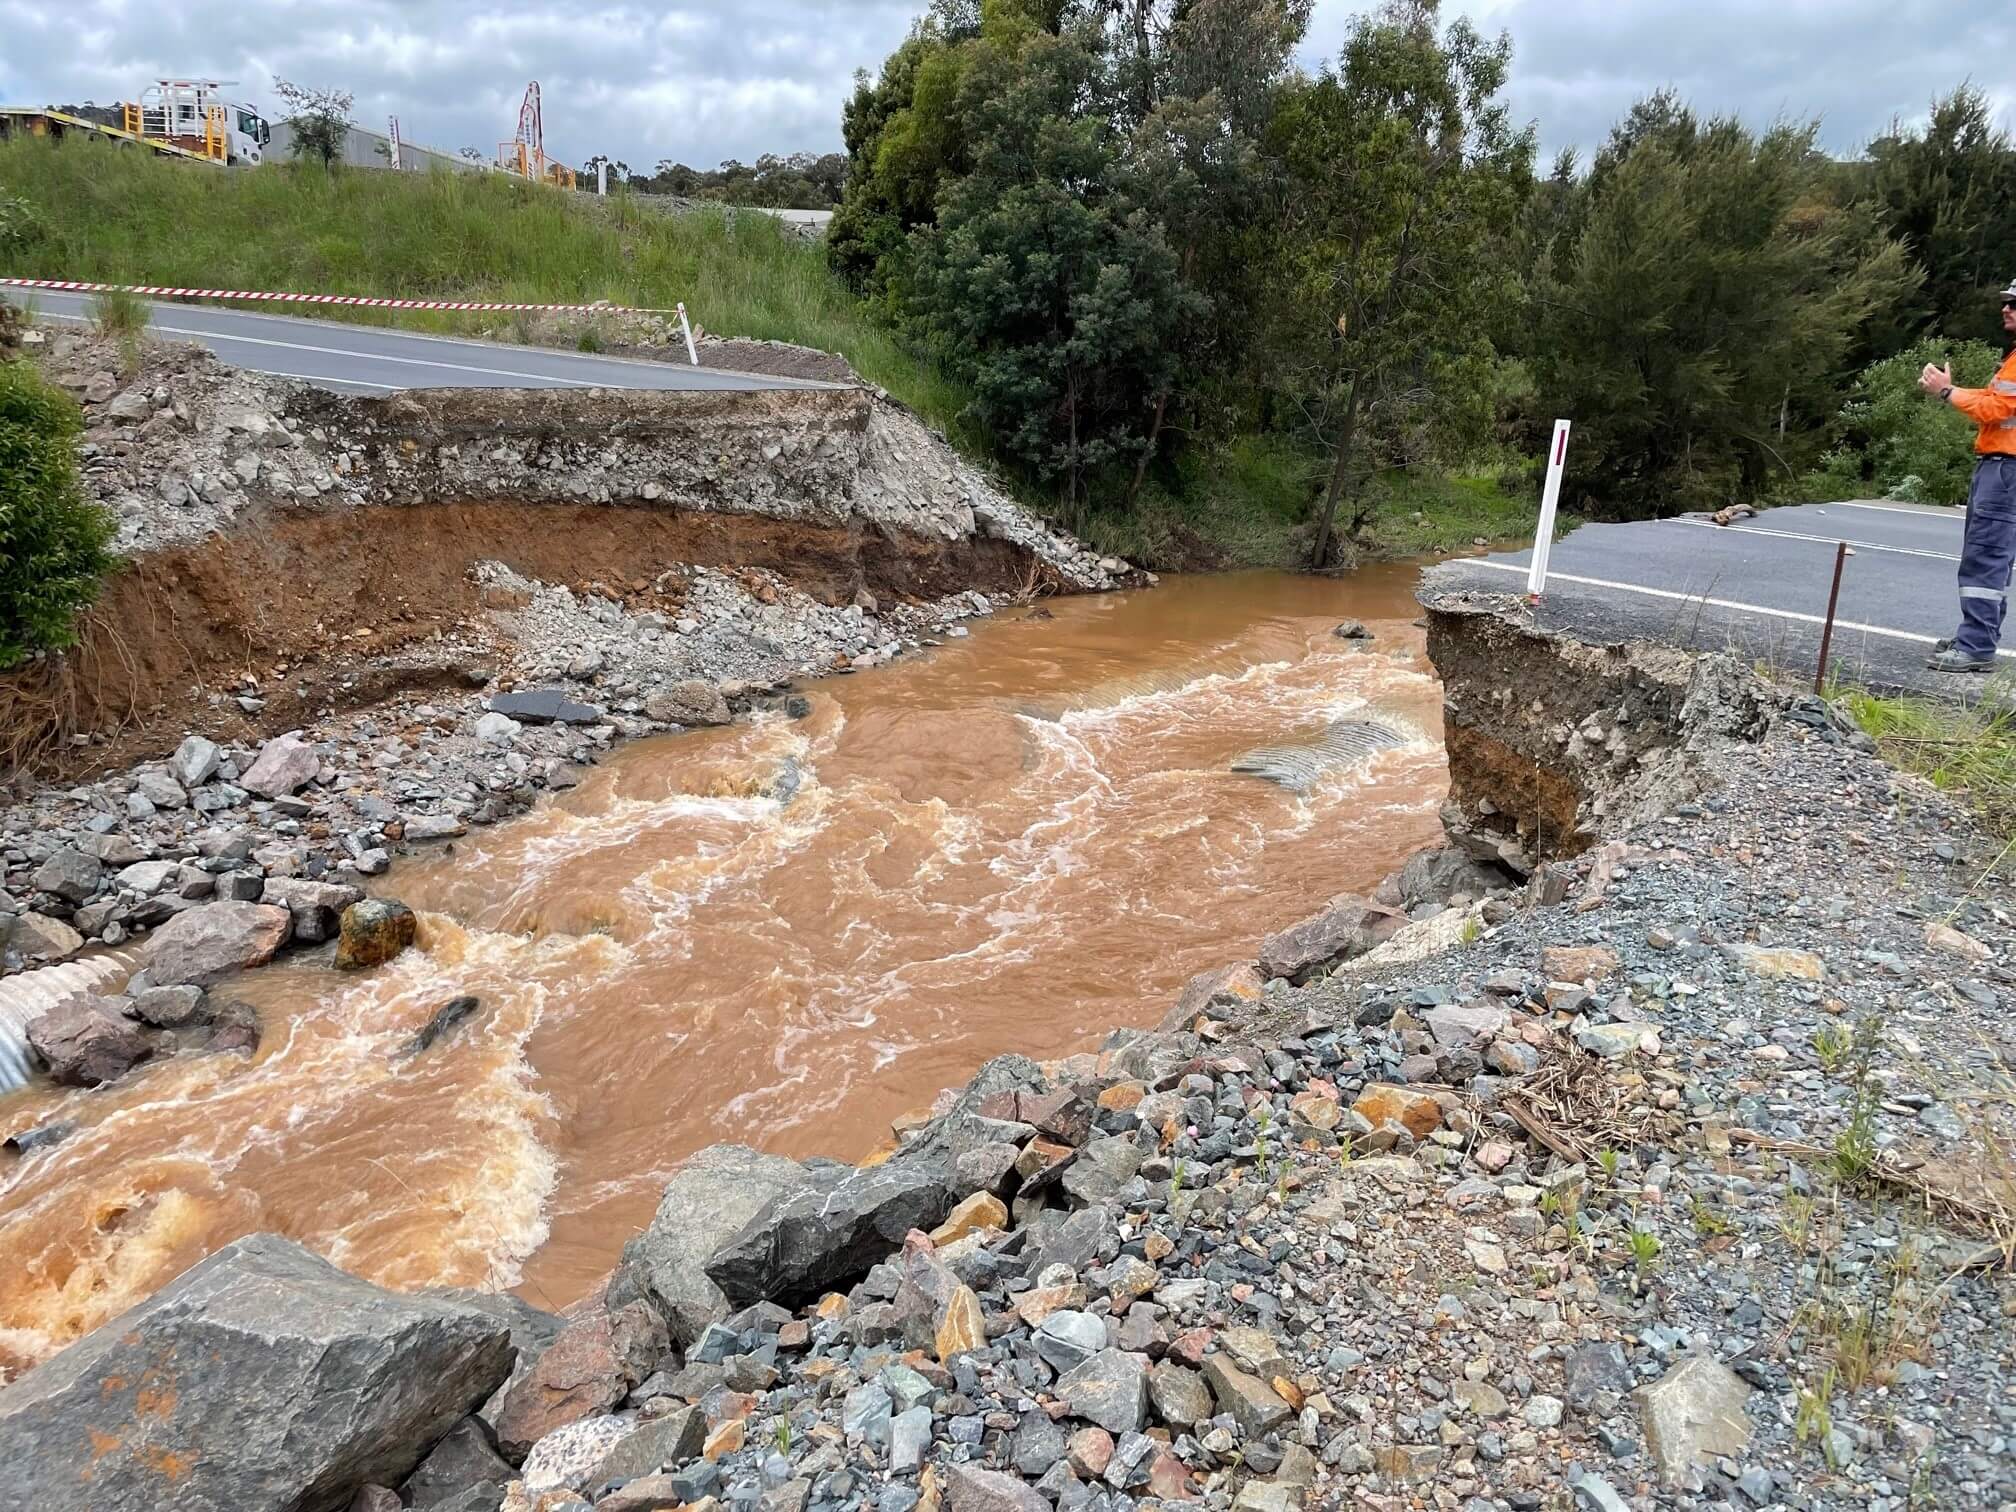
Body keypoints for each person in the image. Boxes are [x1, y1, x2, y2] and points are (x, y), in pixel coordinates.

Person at [1919, 281, 2016, 672]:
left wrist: (1947, 392)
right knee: (1991, 558)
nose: (2006, 309)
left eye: (2015, 304)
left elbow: (1996, 409)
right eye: (2007, 303)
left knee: (1985, 558)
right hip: (2000, 467)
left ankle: (1976, 646)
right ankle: (1977, 637)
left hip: (2006, 470)